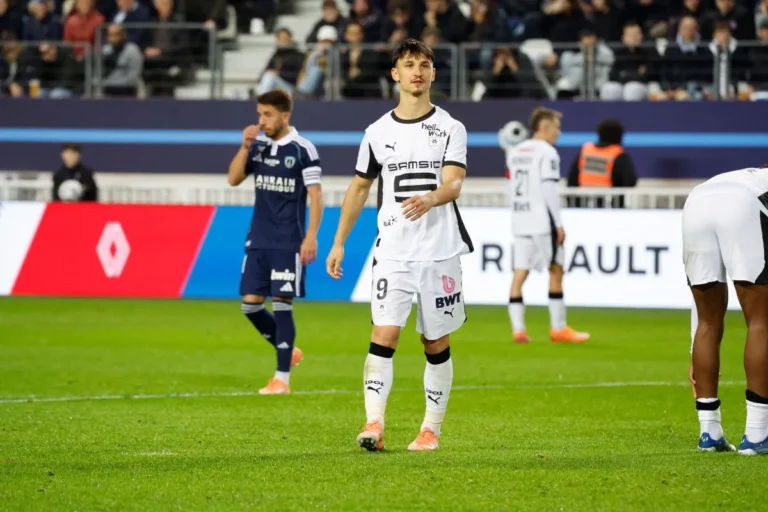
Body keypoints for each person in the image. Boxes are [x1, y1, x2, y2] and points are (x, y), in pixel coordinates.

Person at [326, 38, 472, 452]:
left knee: (435, 343)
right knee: (384, 334)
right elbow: (358, 188)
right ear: (395, 73)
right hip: (392, 251)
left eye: (424, 64)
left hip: (440, 251)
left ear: (432, 73)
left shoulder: (449, 127)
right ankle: (374, 423)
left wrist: (431, 197)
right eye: (409, 64)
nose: (417, 72)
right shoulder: (377, 131)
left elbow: (455, 182)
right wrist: (338, 242)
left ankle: (431, 429)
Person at [227, 89, 324, 396]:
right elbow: (233, 179)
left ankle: (281, 378)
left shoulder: (303, 149)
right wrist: (245, 147)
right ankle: (289, 351)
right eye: (259, 114)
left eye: (267, 115)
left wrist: (310, 237)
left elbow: (316, 195)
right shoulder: (258, 147)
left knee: (282, 304)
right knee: (250, 306)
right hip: (258, 237)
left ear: (285, 116)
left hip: (288, 240)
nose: (261, 121)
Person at [683, 165, 768, 455]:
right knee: (761, 321)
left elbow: (701, 316)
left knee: (708, 321)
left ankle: (709, 431)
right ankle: (757, 435)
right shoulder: (757, 185)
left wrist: (694, 350)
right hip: (744, 204)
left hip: (696, 201)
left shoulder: (745, 174)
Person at [505, 107, 590, 345]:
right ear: (544, 127)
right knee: (556, 269)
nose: (559, 132)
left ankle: (518, 330)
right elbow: (548, 189)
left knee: (519, 273)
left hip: (520, 219)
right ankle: (558, 328)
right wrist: (559, 223)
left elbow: (510, 188)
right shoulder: (547, 152)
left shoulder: (516, 151)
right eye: (557, 126)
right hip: (542, 220)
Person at [567, 118, 638, 208]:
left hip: (584, 206)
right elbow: (630, 181)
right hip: (611, 207)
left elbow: (572, 180)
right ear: (620, 137)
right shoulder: (619, 155)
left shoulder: (585, 153)